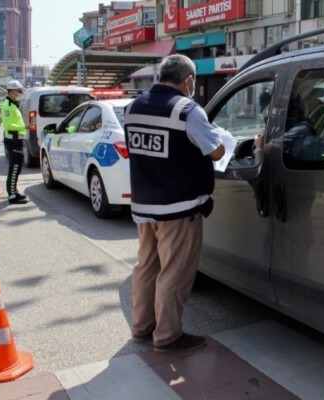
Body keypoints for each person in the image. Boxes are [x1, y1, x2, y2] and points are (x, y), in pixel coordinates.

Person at [124, 54, 225, 353]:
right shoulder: (187, 110)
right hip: (178, 207)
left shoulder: (133, 107)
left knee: (147, 267)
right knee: (175, 272)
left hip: (143, 205)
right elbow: (216, 152)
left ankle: (142, 327)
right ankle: (168, 335)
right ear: (189, 81)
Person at [0, 80, 32, 205]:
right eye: (17, 91)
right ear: (11, 91)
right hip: (12, 139)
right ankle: (12, 195)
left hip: (17, 138)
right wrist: (24, 127)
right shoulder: (7, 105)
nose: (19, 93)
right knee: (14, 168)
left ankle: (14, 191)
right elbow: (8, 125)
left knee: (17, 168)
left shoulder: (12, 104)